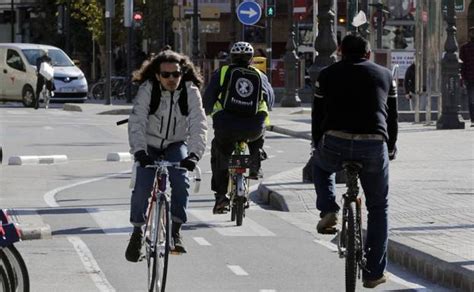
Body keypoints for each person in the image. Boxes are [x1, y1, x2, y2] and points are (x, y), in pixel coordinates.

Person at [312, 34, 398, 288]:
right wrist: (390, 148)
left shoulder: (326, 75)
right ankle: (373, 272)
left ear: (339, 51)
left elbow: (318, 116)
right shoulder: (385, 75)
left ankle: (328, 209)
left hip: (335, 141)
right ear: (368, 54)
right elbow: (392, 118)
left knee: (320, 165)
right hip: (374, 143)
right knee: (378, 207)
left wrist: (318, 145)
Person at [125, 49, 207, 261]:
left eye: (176, 74)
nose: (171, 79)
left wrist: (193, 156)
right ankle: (136, 233)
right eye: (166, 75)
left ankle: (176, 230)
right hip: (149, 144)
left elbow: (199, 124)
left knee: (181, 181)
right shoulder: (148, 90)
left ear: (182, 73)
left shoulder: (190, 91)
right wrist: (140, 152)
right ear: (157, 75)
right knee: (143, 185)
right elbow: (137, 122)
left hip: (175, 143)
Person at [203, 41, 274, 214]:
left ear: (231, 57)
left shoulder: (223, 72)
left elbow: (208, 98)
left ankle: (221, 197)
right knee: (258, 136)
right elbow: (270, 100)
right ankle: (255, 164)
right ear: (251, 59)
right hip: (253, 127)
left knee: (220, 154)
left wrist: (209, 113)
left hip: (226, 126)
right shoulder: (259, 74)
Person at [460, 26, 474, 126]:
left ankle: (473, 119)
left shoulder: (465, 48)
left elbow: (462, 64)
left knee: (471, 99)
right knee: (471, 99)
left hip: (469, 77)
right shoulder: (464, 48)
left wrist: (463, 78)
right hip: (469, 77)